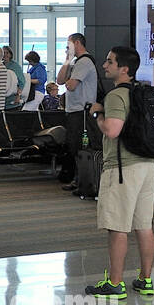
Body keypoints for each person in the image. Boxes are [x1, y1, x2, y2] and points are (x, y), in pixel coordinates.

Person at [84, 46, 154, 300]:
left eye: (110, 61)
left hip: (123, 168)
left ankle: (115, 283)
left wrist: (97, 114)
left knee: (118, 227)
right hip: (147, 165)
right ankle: (145, 280)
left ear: (124, 69)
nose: (105, 65)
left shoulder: (116, 96)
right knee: (144, 226)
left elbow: (112, 130)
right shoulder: (142, 92)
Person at [56, 33, 101, 189]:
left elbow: (71, 85)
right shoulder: (75, 62)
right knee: (74, 146)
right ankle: (79, 178)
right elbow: (60, 80)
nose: (67, 48)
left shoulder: (84, 62)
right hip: (74, 110)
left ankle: (82, 179)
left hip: (81, 111)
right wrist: (67, 60)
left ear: (77, 43)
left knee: (80, 146)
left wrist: (69, 80)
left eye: (69, 45)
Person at [1, 46, 27, 111]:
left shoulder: (15, 66)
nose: (5, 55)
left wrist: (18, 95)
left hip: (13, 100)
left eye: (7, 53)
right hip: (2, 101)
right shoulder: (0, 65)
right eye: (3, 53)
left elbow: (22, 81)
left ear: (10, 54)